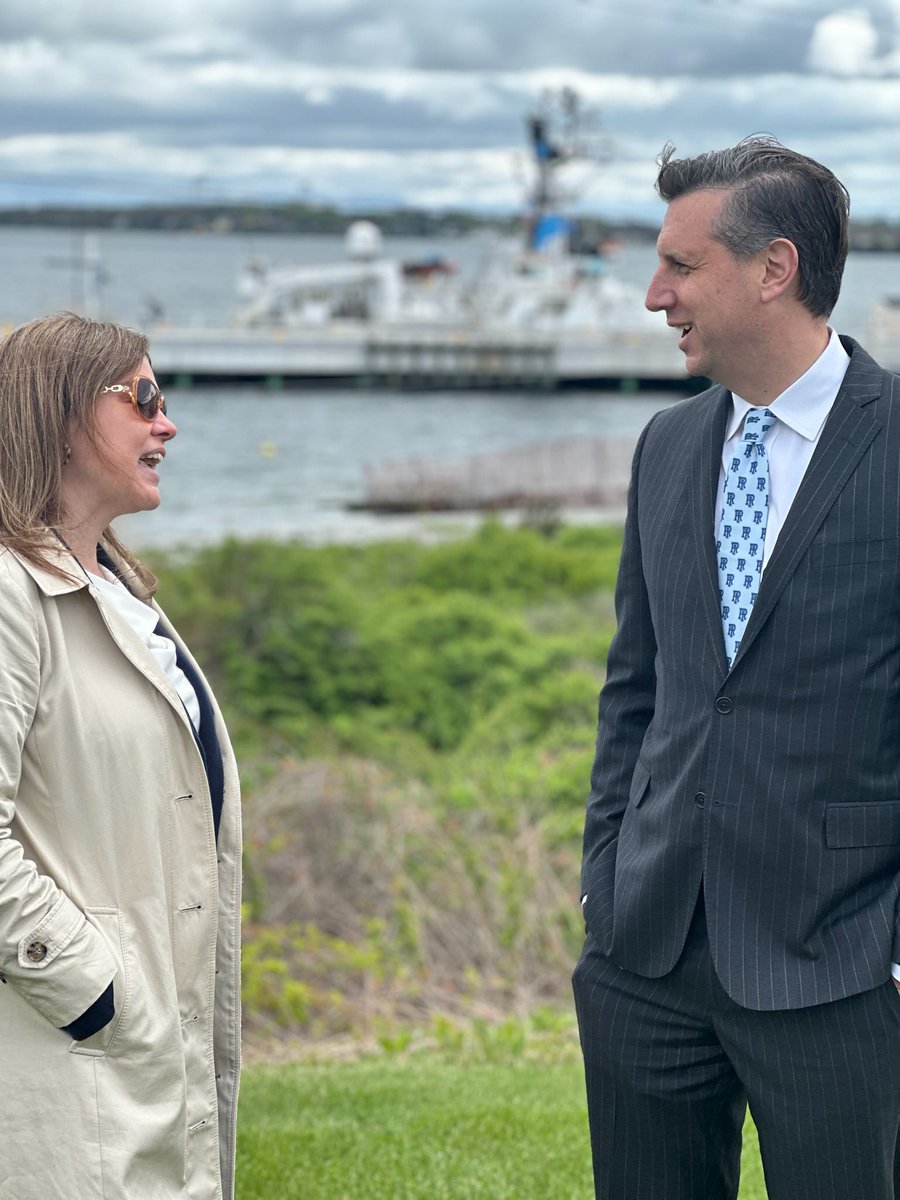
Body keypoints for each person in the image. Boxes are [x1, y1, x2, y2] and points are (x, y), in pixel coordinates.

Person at [573, 137, 900, 1200]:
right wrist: (606, 888)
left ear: (775, 269)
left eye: (682, 265)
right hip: (647, 959)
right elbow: (638, 691)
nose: (655, 294)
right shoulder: (667, 445)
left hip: (842, 963)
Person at [0, 313, 242, 1198]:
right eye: (142, 397)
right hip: (71, 1050)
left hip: (139, 1048)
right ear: (59, 416)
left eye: (163, 398)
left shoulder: (114, 586)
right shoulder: (8, 590)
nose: (166, 422)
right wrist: (95, 992)